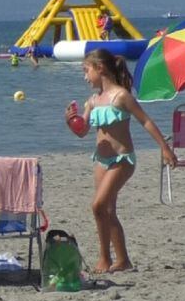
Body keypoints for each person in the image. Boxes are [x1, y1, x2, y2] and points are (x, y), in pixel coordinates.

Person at [65, 49, 177, 273]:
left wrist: (164, 147)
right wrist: (72, 121)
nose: (85, 76)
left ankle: (105, 259)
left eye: (86, 71)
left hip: (122, 159)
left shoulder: (121, 96)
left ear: (100, 69)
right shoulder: (93, 101)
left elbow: (145, 121)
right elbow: (83, 131)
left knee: (98, 205)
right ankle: (121, 260)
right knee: (106, 210)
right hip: (101, 160)